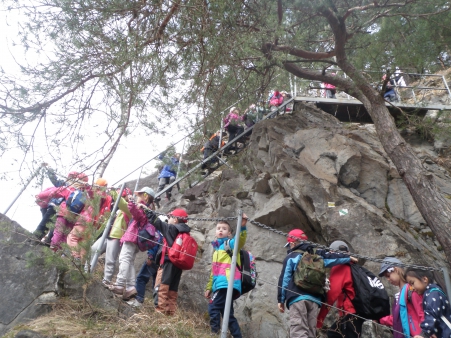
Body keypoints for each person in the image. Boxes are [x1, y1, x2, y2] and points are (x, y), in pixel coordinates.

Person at [277, 229, 357, 338]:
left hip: (297, 297)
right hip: (315, 299)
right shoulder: (317, 255)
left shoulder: (292, 256)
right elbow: (332, 258)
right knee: (311, 331)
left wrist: (281, 300)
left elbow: (284, 279)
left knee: (298, 329)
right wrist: (347, 258)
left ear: (292, 243)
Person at [204, 216, 248, 337]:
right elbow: (214, 272)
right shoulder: (216, 250)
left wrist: (243, 226)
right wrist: (209, 288)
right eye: (218, 228)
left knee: (213, 307)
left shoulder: (231, 245)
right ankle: (237, 335)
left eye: (224, 228)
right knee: (228, 315)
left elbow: (240, 239)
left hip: (227, 283)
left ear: (229, 233)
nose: (220, 230)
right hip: (220, 285)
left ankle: (214, 333)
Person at [109, 187, 156, 300]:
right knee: (129, 261)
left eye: (138, 195)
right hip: (136, 239)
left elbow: (135, 213)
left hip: (132, 237)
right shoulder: (148, 209)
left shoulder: (143, 208)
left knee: (124, 259)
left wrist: (131, 202)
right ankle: (130, 287)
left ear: (145, 196)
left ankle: (119, 284)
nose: (136, 197)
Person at [143, 208, 191, 315]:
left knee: (161, 287)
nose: (168, 219)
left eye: (169, 217)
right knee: (172, 290)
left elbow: (156, 222)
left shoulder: (171, 229)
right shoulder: (185, 232)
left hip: (167, 262)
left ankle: (159, 312)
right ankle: (170, 313)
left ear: (175, 219)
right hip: (178, 265)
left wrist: (146, 210)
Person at [317, 240, 365, 338]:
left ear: (331, 253)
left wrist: (319, 321)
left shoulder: (340, 267)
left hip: (351, 313)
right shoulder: (354, 267)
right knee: (333, 333)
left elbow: (331, 296)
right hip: (357, 312)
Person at [377, 257, 425, 338]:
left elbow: (422, 312)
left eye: (388, 275)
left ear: (396, 270)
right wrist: (380, 320)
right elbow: (398, 319)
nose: (388, 279)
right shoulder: (400, 295)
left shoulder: (411, 290)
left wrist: (424, 334)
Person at [66, 177, 112, 260]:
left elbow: (91, 193)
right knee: (84, 243)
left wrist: (88, 187)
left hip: (85, 219)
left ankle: (76, 257)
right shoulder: (108, 198)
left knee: (72, 237)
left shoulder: (95, 193)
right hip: (94, 224)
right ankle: (82, 263)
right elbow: (107, 211)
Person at [127, 215, 165, 308]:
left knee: (141, 278)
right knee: (155, 284)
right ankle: (157, 304)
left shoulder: (158, 234)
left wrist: (150, 257)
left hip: (152, 261)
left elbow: (154, 247)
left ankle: (139, 300)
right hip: (160, 264)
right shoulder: (166, 235)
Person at [405, 268, 451, 338]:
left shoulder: (433, 294)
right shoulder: (432, 292)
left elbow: (431, 315)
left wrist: (424, 334)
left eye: (412, 283)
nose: (412, 288)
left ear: (424, 279)